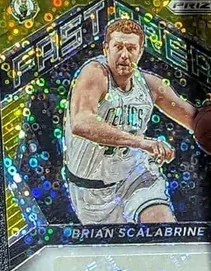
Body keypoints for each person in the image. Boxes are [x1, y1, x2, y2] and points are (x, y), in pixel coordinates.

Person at [61, 17, 198, 225]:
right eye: (118, 47)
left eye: (131, 48)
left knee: (161, 223)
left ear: (140, 52)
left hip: (134, 176)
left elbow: (196, 120)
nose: (124, 55)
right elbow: (81, 123)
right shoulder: (95, 74)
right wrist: (140, 142)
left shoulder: (150, 85)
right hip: (90, 192)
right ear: (106, 49)